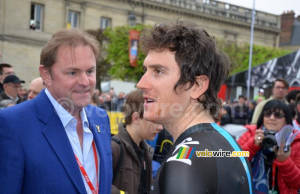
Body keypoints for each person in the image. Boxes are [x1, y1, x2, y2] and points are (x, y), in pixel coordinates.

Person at [136, 21, 252, 193]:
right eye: (145, 71)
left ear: (197, 86)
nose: (141, 84)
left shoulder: (183, 161)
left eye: (158, 71)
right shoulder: (227, 141)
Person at [0, 28, 112, 193]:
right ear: (46, 74)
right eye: (72, 72)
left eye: (90, 71)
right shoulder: (12, 124)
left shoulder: (101, 119)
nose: (85, 81)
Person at [237, 100, 300, 193]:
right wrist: (252, 145)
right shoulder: (250, 134)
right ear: (262, 117)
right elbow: (234, 162)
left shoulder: (295, 141)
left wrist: (284, 161)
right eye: (267, 114)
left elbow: (297, 183)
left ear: (286, 120)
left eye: (278, 115)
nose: (272, 118)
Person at [111, 89, 163, 194]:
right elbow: (99, 186)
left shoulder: (146, 152)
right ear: (136, 118)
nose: (160, 127)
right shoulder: (114, 148)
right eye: (155, 120)